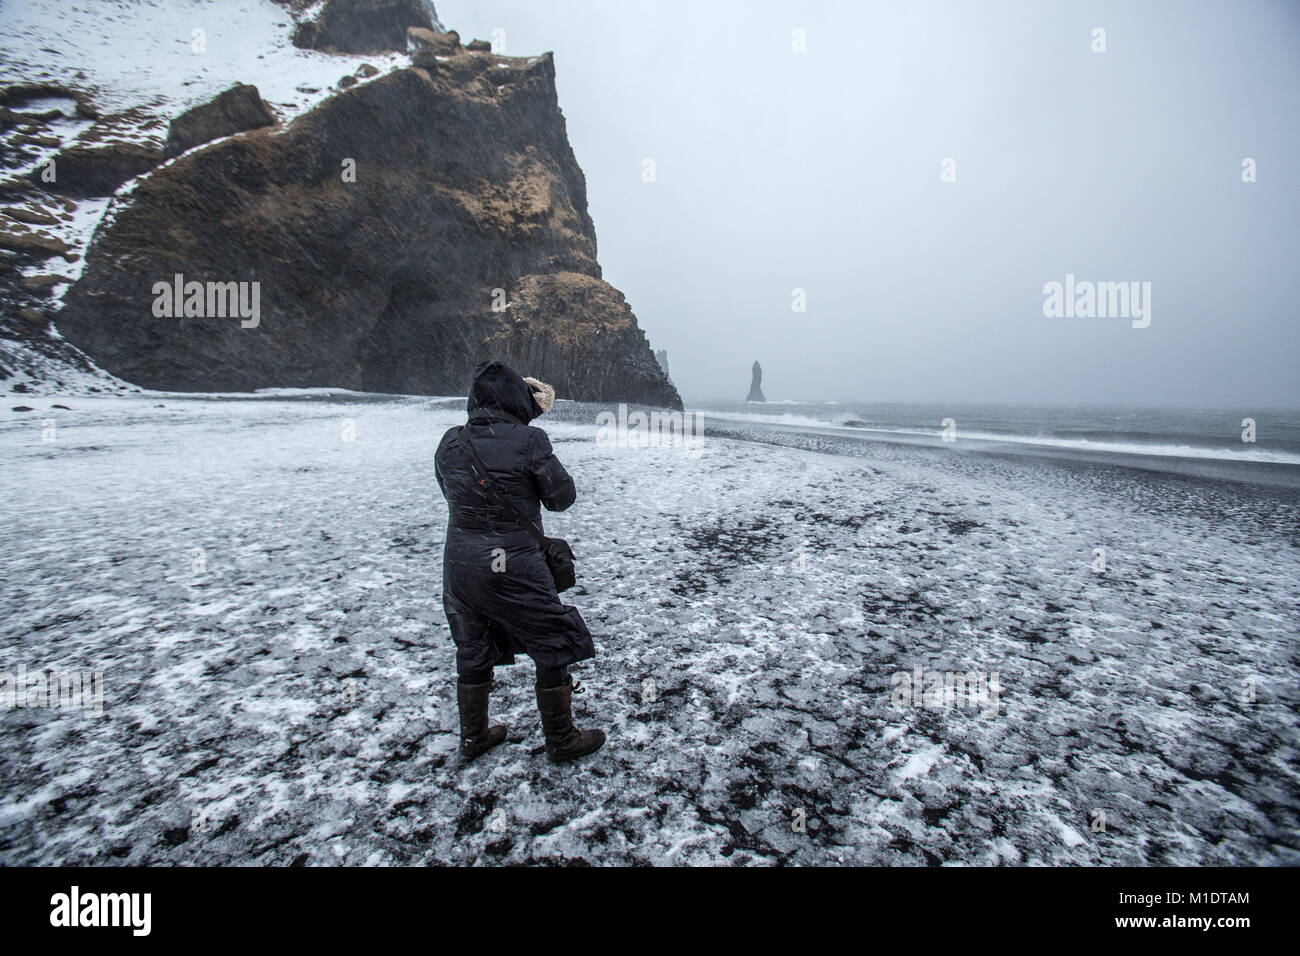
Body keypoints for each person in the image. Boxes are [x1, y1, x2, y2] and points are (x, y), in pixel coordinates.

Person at [434, 360, 605, 764]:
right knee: (552, 637)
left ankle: (474, 737)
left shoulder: (450, 441)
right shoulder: (531, 440)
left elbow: (450, 492)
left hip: (460, 561)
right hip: (512, 561)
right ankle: (561, 739)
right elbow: (561, 498)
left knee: (472, 645)